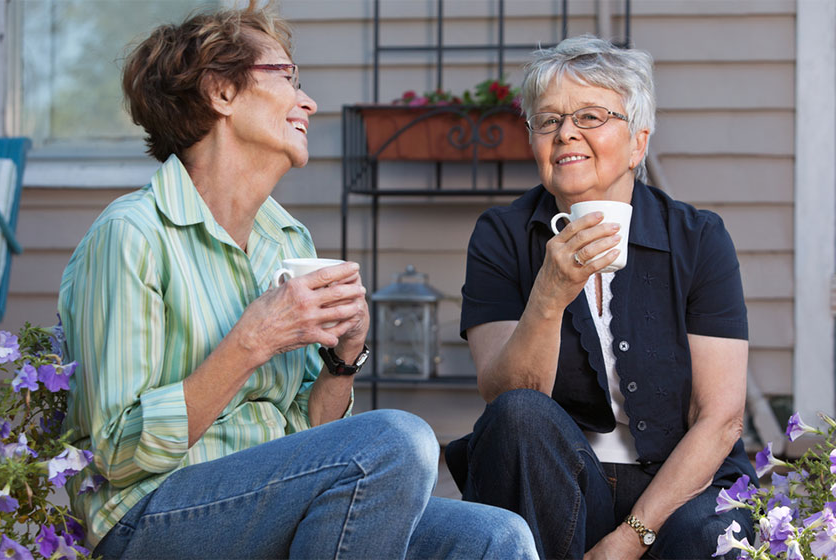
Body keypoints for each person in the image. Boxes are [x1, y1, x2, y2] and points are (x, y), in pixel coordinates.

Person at [58, 4, 538, 559]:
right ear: (221, 92)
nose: (306, 101)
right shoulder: (132, 235)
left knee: (495, 537)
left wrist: (344, 356)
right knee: (397, 440)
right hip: (149, 514)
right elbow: (117, 451)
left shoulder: (287, 241)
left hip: (274, 500)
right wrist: (253, 341)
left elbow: (310, 433)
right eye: (285, 78)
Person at [445, 35, 757, 560]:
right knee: (518, 414)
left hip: (683, 489)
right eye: (547, 120)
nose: (566, 132)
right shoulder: (502, 235)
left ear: (638, 141)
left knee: (710, 537)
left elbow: (720, 416)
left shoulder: (698, 239)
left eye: (590, 116)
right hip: (557, 483)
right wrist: (549, 293)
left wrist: (628, 540)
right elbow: (504, 397)